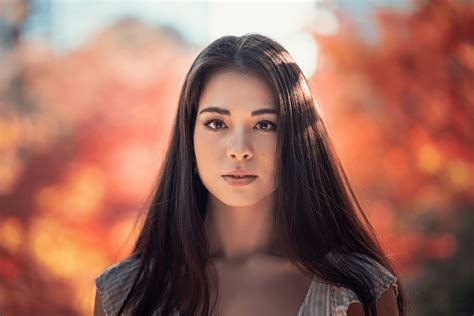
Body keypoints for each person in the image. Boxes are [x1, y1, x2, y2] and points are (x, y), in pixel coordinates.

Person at [93, 33, 406, 316]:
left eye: (265, 124)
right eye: (217, 123)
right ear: (189, 137)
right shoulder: (125, 293)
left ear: (294, 140)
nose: (239, 149)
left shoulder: (358, 290)